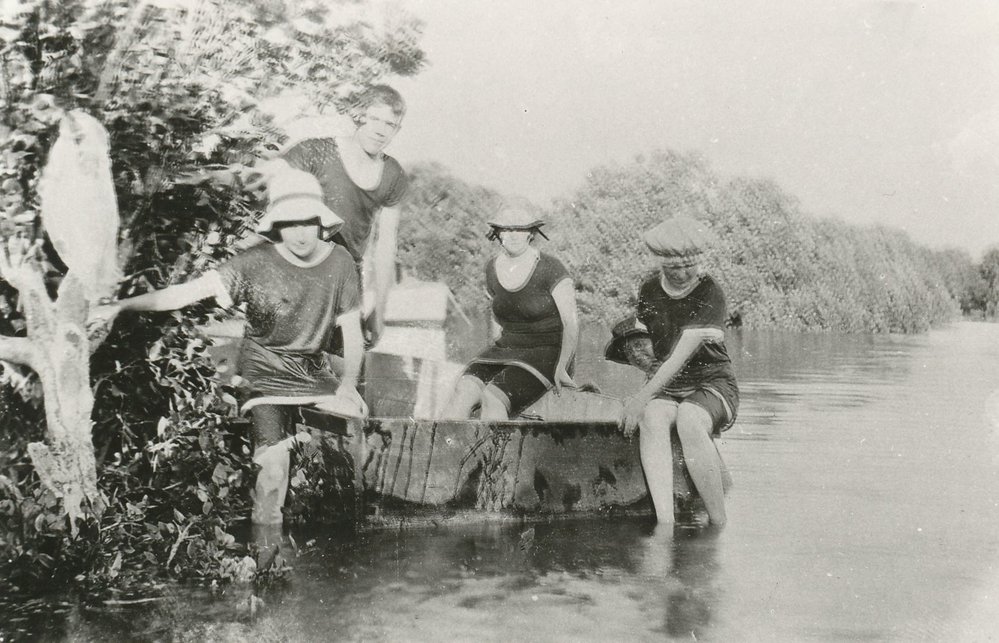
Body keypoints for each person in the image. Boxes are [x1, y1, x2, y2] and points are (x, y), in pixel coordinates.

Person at [89, 168, 366, 525]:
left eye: (307, 222)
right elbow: (185, 293)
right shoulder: (254, 263)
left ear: (320, 221)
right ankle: (266, 547)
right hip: (265, 374)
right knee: (273, 474)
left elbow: (353, 333)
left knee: (357, 430)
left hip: (313, 372)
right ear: (278, 225)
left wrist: (348, 386)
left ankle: (327, 523)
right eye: (290, 223)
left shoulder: (340, 262)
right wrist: (121, 305)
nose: (300, 233)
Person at [249, 84, 409, 344]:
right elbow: (268, 176)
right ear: (358, 115)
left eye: (390, 124)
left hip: (344, 282)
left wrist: (379, 311)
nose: (381, 130)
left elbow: (386, 246)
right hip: (297, 273)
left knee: (348, 364)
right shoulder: (316, 152)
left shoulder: (393, 174)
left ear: (397, 129)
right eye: (374, 119)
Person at [620, 216, 738, 525]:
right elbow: (647, 347)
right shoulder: (649, 289)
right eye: (674, 267)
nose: (683, 274)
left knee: (689, 418)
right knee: (651, 417)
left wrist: (640, 397)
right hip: (669, 385)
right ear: (660, 261)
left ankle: (718, 522)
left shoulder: (710, 291)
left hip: (711, 382)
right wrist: (642, 387)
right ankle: (665, 525)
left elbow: (680, 355)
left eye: (689, 266)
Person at [442, 202, 579, 420]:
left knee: (493, 397)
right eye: (507, 229)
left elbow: (571, 324)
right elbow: (497, 320)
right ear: (497, 233)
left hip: (547, 352)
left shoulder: (551, 268)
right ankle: (445, 442)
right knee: (462, 390)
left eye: (520, 229)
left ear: (531, 233)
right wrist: (494, 352)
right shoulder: (491, 268)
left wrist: (563, 367)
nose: (514, 235)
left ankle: (495, 444)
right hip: (507, 349)